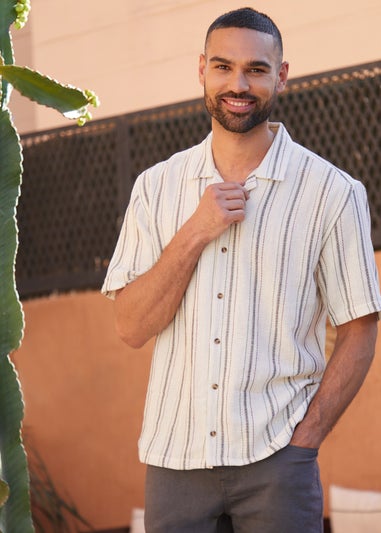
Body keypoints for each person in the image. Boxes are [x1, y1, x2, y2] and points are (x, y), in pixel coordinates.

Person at [102, 7, 381, 533]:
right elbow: (130, 326)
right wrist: (194, 232)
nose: (238, 84)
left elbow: (359, 330)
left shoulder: (333, 192)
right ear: (202, 70)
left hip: (279, 458)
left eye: (256, 69)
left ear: (281, 75)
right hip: (174, 460)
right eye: (224, 67)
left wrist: (306, 439)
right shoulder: (156, 188)